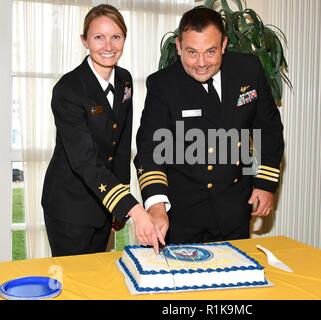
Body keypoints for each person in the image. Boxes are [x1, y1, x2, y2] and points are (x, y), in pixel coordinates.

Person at [134, 7, 284, 244]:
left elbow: (269, 129)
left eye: (211, 51)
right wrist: (156, 206)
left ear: (224, 45)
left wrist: (265, 184)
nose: (201, 63)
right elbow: (150, 150)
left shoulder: (248, 71)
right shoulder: (163, 85)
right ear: (179, 47)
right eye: (192, 52)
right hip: (182, 215)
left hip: (234, 208)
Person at [41, 4, 164, 257]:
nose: (108, 46)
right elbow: (84, 160)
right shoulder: (68, 90)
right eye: (99, 37)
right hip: (69, 206)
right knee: (75, 284)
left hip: (105, 202)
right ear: (84, 40)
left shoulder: (125, 80)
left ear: (124, 39)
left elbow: (120, 146)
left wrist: (118, 205)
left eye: (116, 37)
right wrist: (132, 208)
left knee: (98, 277)